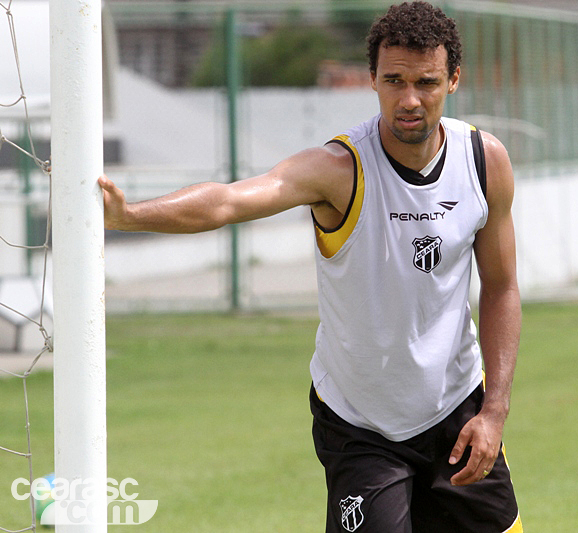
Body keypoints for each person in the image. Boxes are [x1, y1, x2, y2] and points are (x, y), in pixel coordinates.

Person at [100, 2, 523, 531]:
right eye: (393, 80)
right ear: (372, 79)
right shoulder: (339, 169)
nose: (409, 99)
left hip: (457, 410)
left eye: (426, 82)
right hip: (361, 426)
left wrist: (495, 409)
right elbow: (230, 201)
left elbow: (502, 287)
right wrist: (130, 216)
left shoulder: (485, 162)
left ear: (454, 79)